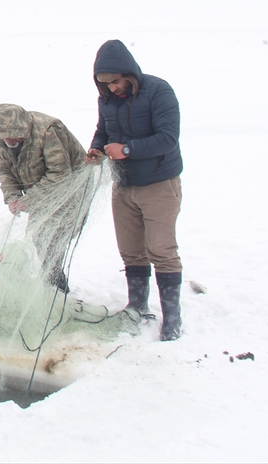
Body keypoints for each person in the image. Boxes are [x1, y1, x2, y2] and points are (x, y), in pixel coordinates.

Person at [85, 39, 185, 341]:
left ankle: (172, 318)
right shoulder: (106, 100)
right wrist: (96, 148)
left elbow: (168, 137)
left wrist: (126, 149)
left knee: (161, 250)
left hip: (159, 184)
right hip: (124, 185)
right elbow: (104, 130)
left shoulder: (159, 91)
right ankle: (138, 306)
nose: (113, 88)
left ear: (128, 72)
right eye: (105, 84)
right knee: (131, 250)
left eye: (116, 81)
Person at [0, 103, 87, 292]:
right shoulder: (2, 138)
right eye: (3, 134)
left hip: (73, 184)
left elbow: (60, 174)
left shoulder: (47, 131)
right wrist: (13, 197)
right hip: (40, 188)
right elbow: (5, 170)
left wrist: (28, 200)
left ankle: (55, 283)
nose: (8, 138)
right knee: (38, 234)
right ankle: (53, 280)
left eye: (12, 133)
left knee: (53, 233)